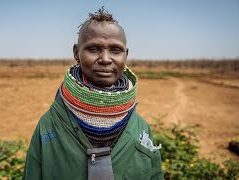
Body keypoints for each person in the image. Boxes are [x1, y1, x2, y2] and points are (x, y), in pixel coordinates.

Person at [22, 6, 164, 180]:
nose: (105, 59)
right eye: (94, 49)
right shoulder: (49, 125)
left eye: (115, 50)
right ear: (76, 53)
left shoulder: (141, 130)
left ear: (126, 55)